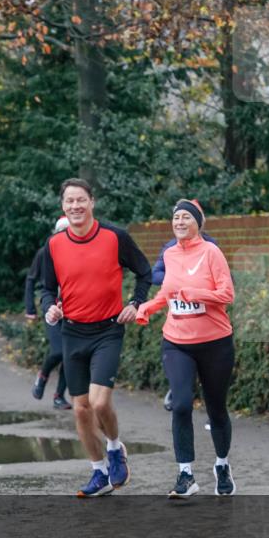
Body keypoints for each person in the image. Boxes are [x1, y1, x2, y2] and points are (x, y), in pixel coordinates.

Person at [41, 178, 152, 498]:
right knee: (80, 409)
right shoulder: (54, 244)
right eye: (69, 201)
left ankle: (115, 448)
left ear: (92, 202)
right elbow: (47, 288)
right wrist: (49, 308)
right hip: (72, 332)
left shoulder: (115, 237)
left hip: (108, 330)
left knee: (99, 402)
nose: (75, 206)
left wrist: (135, 303)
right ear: (63, 206)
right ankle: (99, 471)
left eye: (81, 200)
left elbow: (144, 272)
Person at [136, 199, 236, 498]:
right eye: (176, 217)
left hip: (215, 343)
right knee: (180, 404)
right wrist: (148, 307)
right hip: (177, 342)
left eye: (186, 217)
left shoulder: (211, 252)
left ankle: (222, 465)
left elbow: (227, 294)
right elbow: (169, 293)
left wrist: (198, 294)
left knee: (216, 409)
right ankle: (185, 474)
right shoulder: (169, 254)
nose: (179, 222)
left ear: (198, 223)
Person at [152, 229, 219, 413]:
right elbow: (155, 274)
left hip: (209, 321)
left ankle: (214, 412)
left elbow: (224, 278)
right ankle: (177, 390)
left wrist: (203, 286)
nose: (183, 223)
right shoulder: (170, 248)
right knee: (181, 361)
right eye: (179, 218)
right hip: (180, 321)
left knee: (211, 371)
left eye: (190, 218)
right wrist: (179, 281)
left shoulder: (211, 245)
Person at [25, 216, 72, 411]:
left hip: (73, 310)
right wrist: (30, 308)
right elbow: (31, 279)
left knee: (70, 354)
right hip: (51, 309)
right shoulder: (45, 252)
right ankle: (42, 376)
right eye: (61, 231)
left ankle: (59, 396)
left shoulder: (78, 251)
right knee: (59, 351)